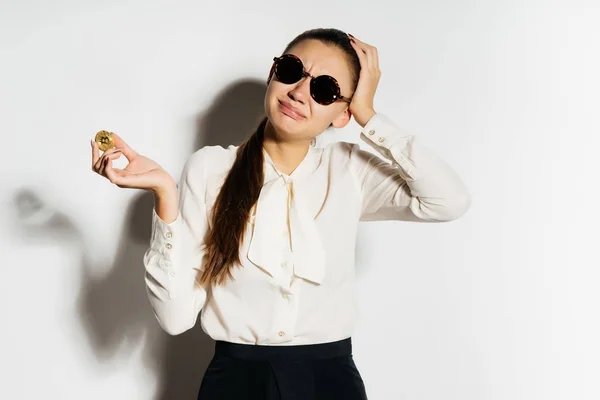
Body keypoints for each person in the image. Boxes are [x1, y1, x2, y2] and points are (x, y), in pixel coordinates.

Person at [91, 28, 470, 400]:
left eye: (325, 90)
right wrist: (165, 195)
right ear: (273, 74)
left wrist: (370, 116)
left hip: (330, 382)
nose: (299, 92)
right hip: (235, 382)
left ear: (343, 113)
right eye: (291, 70)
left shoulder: (350, 170)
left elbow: (448, 200)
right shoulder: (210, 169)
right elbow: (175, 319)